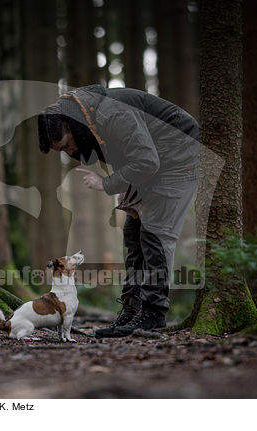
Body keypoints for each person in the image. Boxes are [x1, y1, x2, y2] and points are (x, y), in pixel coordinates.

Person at [37, 84, 199, 338]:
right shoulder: (90, 117)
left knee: (155, 233)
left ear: (71, 126)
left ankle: (153, 315)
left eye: (67, 145)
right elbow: (131, 154)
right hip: (155, 160)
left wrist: (107, 184)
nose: (69, 153)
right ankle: (133, 313)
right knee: (133, 233)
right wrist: (127, 191)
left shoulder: (112, 115)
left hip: (177, 155)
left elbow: (146, 160)